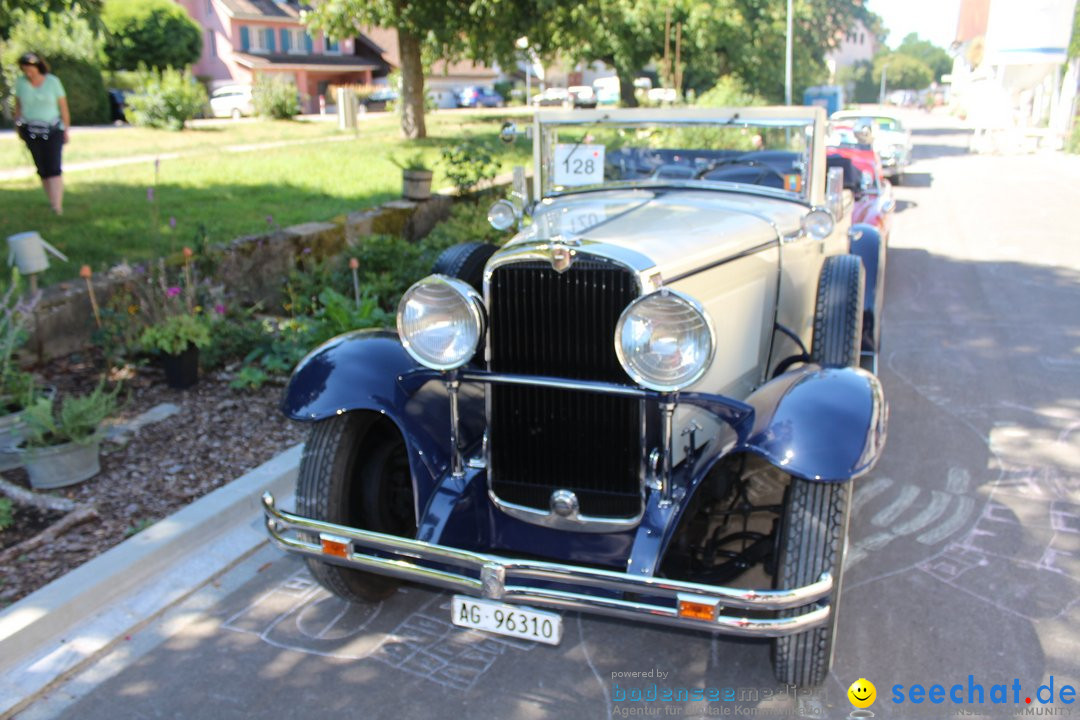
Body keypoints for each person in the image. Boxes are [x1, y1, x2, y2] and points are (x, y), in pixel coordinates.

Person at [13, 52, 70, 215]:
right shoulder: (21, 83)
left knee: (54, 167)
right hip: (30, 130)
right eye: (25, 69)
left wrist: (66, 128)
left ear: (38, 67)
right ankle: (52, 201)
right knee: (42, 169)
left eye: (30, 69)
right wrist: (18, 127)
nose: (28, 72)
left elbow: (63, 108)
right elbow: (18, 107)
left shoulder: (53, 82)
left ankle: (57, 206)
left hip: (53, 130)